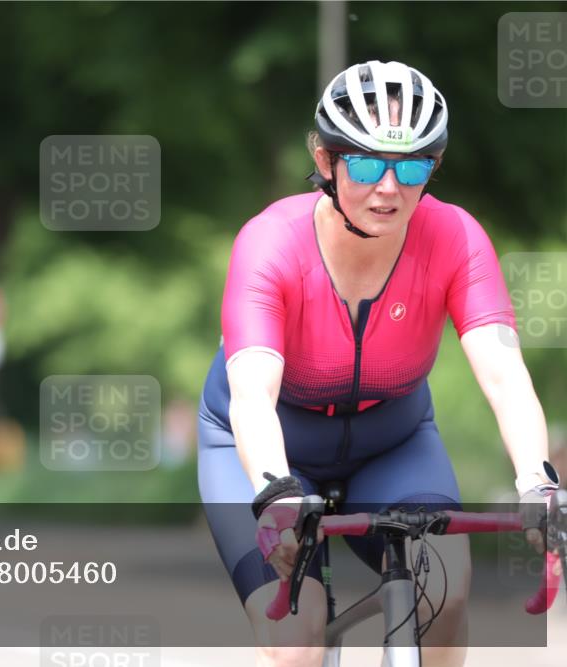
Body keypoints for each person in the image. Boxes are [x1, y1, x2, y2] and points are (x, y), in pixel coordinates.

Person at [197, 60, 560, 667]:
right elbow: (253, 396)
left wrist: (536, 482)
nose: (389, 188)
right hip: (268, 446)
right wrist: (275, 494)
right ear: (325, 161)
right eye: (367, 165)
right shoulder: (270, 242)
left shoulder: (457, 238)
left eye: (412, 166)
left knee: (445, 594)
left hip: (392, 443)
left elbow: (504, 376)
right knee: (296, 639)